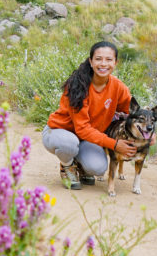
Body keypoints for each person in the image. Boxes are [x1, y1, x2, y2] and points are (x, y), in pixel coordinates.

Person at [42, 41, 137, 190]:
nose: (103, 64)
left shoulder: (118, 87)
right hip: (59, 133)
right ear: (90, 61)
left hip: (87, 139)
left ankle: (81, 165)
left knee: (98, 168)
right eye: (98, 59)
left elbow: (133, 113)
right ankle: (67, 165)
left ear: (115, 62)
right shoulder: (78, 85)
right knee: (69, 144)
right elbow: (82, 129)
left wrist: (148, 133)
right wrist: (114, 144)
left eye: (108, 59)